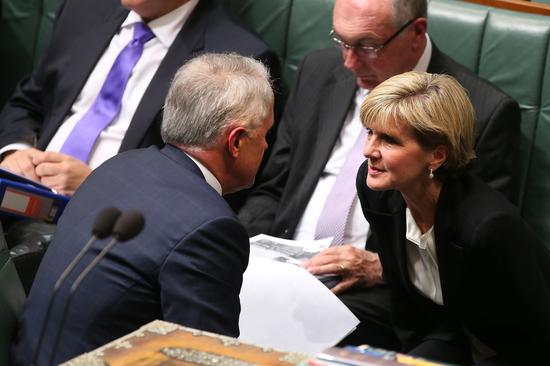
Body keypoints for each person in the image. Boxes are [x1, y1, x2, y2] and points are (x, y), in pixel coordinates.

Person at [238, 0, 520, 348]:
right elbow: (273, 188)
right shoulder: (318, 70)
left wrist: (384, 266)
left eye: (367, 46)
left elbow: (476, 252)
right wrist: (240, 245)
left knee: (280, 325)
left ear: (416, 32)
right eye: (341, 41)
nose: (349, 61)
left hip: (377, 290)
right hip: (283, 266)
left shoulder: (480, 111)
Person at [10, 53, 275, 365]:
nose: (268, 146)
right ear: (236, 141)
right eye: (265, 135)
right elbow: (201, 359)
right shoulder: (210, 227)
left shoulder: (116, 168)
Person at [356, 71, 550, 365]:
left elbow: (545, 332)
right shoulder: (376, 189)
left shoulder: (487, 225)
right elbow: (403, 301)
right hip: (463, 332)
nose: (368, 151)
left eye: (388, 140)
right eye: (369, 132)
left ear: (436, 156)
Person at [0, 0, 280, 196]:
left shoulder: (234, 60)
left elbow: (211, 181)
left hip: (114, 225)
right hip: (23, 187)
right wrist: (16, 152)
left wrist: (98, 187)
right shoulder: (83, 9)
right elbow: (30, 100)